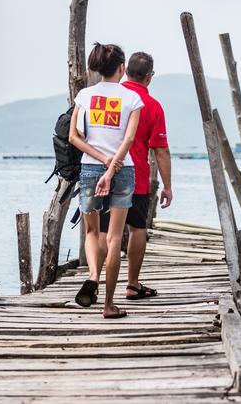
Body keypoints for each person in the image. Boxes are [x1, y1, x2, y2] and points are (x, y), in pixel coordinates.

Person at [68, 43, 142, 319]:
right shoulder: (132, 98)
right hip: (123, 171)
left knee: (91, 232)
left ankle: (93, 275)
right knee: (114, 238)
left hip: (89, 169)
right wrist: (111, 167)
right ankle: (109, 305)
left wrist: (100, 159)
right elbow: (130, 139)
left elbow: (74, 137)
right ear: (122, 68)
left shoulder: (84, 96)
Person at [97, 51, 173, 301]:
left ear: (125, 70)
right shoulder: (151, 106)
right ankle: (132, 283)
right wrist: (167, 186)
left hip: (105, 174)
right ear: (149, 77)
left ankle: (94, 281)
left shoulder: (111, 99)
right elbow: (160, 151)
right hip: (137, 177)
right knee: (137, 229)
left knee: (103, 232)